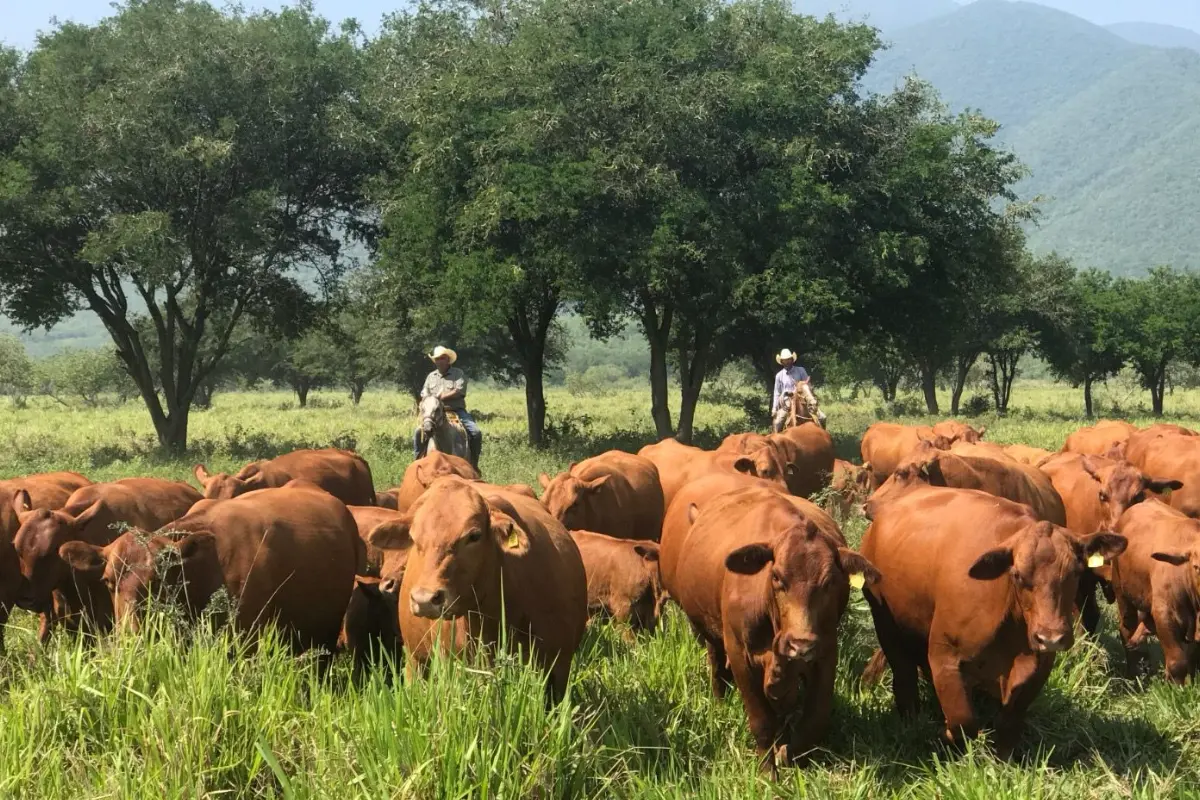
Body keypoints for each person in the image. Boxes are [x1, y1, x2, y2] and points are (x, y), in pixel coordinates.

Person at [413, 345, 482, 469]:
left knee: (475, 432)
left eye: (442, 358)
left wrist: (440, 397)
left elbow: (459, 390)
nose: (440, 361)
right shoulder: (431, 376)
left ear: (448, 360)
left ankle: (474, 464)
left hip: (456, 410)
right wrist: (427, 399)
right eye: (437, 359)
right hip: (434, 413)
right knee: (418, 432)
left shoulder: (458, 373)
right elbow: (424, 392)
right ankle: (417, 462)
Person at [771, 348, 826, 432]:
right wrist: (774, 408)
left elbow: (807, 384)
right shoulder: (779, 375)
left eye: (788, 359)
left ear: (792, 360)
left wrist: (810, 396)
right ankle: (777, 441)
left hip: (803, 399)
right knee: (778, 422)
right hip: (787, 402)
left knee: (822, 417)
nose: (787, 362)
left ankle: (823, 437)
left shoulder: (800, 370)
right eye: (785, 360)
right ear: (781, 362)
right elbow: (777, 393)